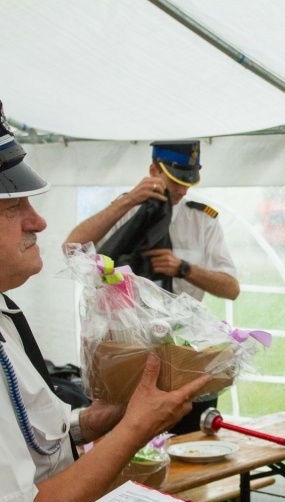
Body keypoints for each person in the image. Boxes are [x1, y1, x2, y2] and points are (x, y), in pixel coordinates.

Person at [0, 101, 211, 502]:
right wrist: (136, 426)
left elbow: (39, 436)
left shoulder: (6, 312)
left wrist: (96, 421)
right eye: (12, 208)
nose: (38, 222)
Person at [64, 140, 239, 434]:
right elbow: (72, 249)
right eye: (175, 181)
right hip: (130, 348)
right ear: (153, 171)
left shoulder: (202, 218)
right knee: (130, 442)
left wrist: (184, 268)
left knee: (190, 441)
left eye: (188, 182)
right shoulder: (128, 209)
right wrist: (128, 201)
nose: (183, 190)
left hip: (184, 348)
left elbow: (231, 288)